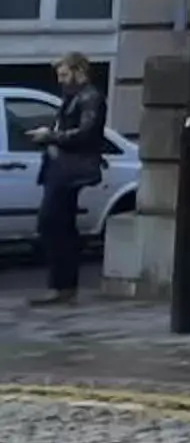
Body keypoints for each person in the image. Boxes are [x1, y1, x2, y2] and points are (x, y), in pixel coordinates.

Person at [27, 53, 105, 307]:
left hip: (70, 170)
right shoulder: (72, 97)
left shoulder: (90, 97)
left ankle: (62, 285)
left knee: (51, 222)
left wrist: (49, 136)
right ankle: (63, 286)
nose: (61, 81)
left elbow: (85, 133)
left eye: (64, 74)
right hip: (60, 167)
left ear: (78, 70)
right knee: (60, 225)